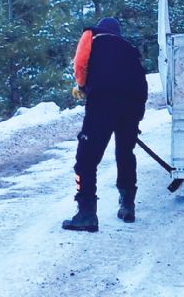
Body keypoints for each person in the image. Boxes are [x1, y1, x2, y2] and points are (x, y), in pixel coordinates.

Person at [63, 17, 148, 232]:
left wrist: (82, 86)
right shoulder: (129, 48)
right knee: (125, 153)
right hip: (133, 104)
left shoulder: (92, 36)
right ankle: (128, 205)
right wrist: (135, 116)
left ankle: (86, 213)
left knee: (86, 158)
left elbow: (80, 62)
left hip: (103, 102)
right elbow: (141, 80)